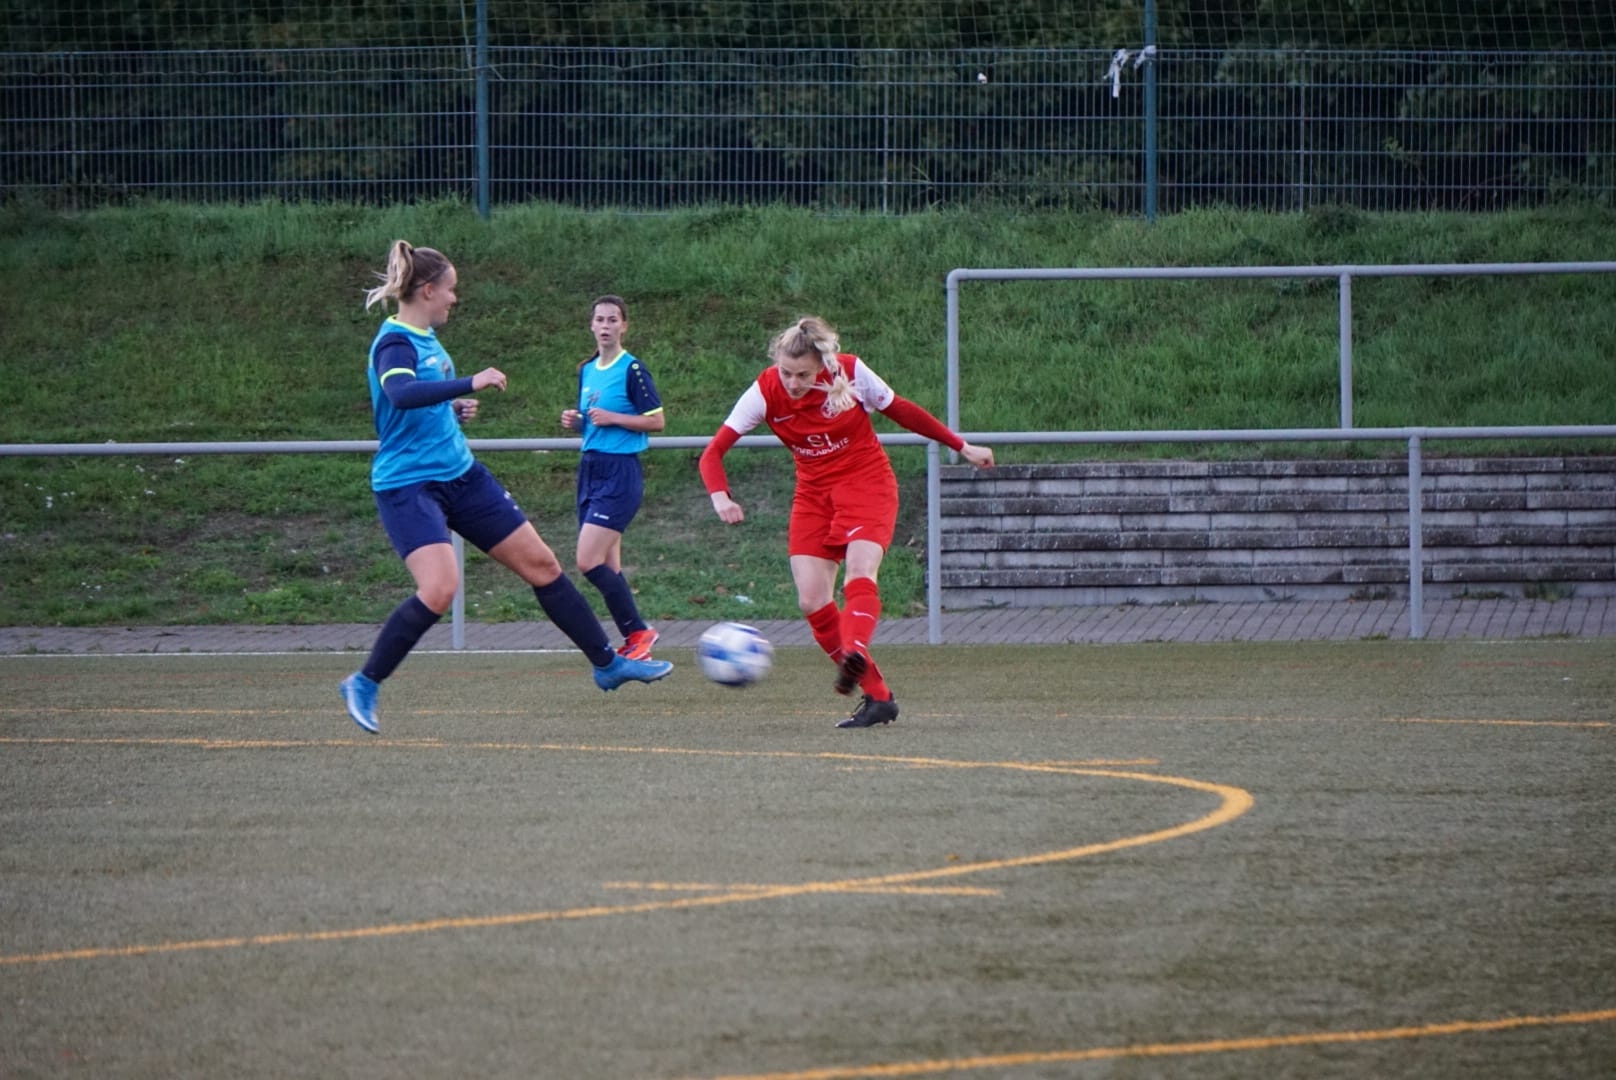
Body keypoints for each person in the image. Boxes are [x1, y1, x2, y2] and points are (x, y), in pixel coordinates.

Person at [340, 241, 672, 734]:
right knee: (440, 588)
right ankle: (365, 682)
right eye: (450, 290)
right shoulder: (395, 342)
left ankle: (608, 664)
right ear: (427, 290)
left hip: (462, 475)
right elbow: (400, 394)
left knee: (543, 565)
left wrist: (451, 409)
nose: (455, 298)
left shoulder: (427, 339)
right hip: (409, 485)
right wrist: (468, 384)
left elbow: (419, 403)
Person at [698, 315, 994, 729]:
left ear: (821, 365)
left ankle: (854, 651)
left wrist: (961, 445)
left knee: (860, 570)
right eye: (786, 372)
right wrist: (720, 497)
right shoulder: (764, 391)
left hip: (866, 484)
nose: (793, 382)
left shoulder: (851, 372)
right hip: (813, 495)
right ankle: (879, 698)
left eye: (803, 375)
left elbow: (902, 410)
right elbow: (712, 453)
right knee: (811, 601)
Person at [560, 295, 664, 661]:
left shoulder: (632, 369)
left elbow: (656, 421)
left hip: (620, 473)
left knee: (588, 560)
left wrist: (613, 418)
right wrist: (578, 422)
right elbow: (594, 422)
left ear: (624, 326)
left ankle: (640, 631)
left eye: (612, 320)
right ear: (591, 325)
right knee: (609, 566)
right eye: (600, 320)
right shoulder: (587, 369)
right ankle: (637, 643)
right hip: (591, 469)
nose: (605, 326)